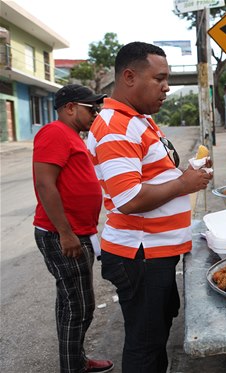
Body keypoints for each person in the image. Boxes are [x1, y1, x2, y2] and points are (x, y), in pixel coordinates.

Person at [86, 42, 212, 373]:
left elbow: (153, 174)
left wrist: (188, 175)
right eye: (159, 78)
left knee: (156, 333)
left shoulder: (138, 119)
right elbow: (129, 199)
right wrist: (184, 184)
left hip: (155, 252)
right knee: (144, 343)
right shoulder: (117, 125)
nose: (167, 87)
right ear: (129, 76)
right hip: (139, 255)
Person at [33, 84, 114, 373]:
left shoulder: (73, 136)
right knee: (78, 306)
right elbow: (45, 184)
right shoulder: (54, 132)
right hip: (62, 234)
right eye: (91, 108)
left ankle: (76, 360)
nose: (97, 113)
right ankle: (73, 367)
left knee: (71, 302)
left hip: (77, 232)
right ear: (70, 108)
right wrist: (65, 233)